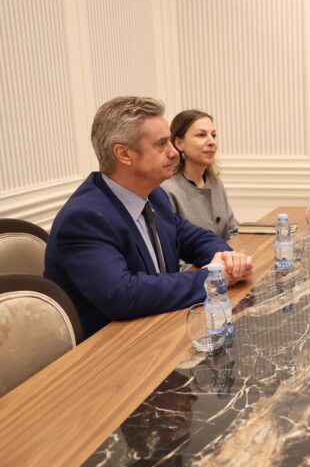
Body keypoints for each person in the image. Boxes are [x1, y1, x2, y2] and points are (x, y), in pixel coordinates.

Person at [44, 97, 252, 338]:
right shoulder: (84, 218)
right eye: (162, 144)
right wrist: (212, 279)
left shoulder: (154, 196)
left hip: (159, 329)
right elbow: (123, 295)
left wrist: (227, 258)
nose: (174, 153)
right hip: (113, 346)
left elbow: (195, 238)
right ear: (124, 154)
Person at [161, 109, 238, 240]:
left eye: (213, 135)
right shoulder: (167, 190)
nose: (212, 142)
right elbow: (171, 245)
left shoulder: (215, 182)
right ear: (179, 143)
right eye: (201, 135)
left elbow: (232, 231)